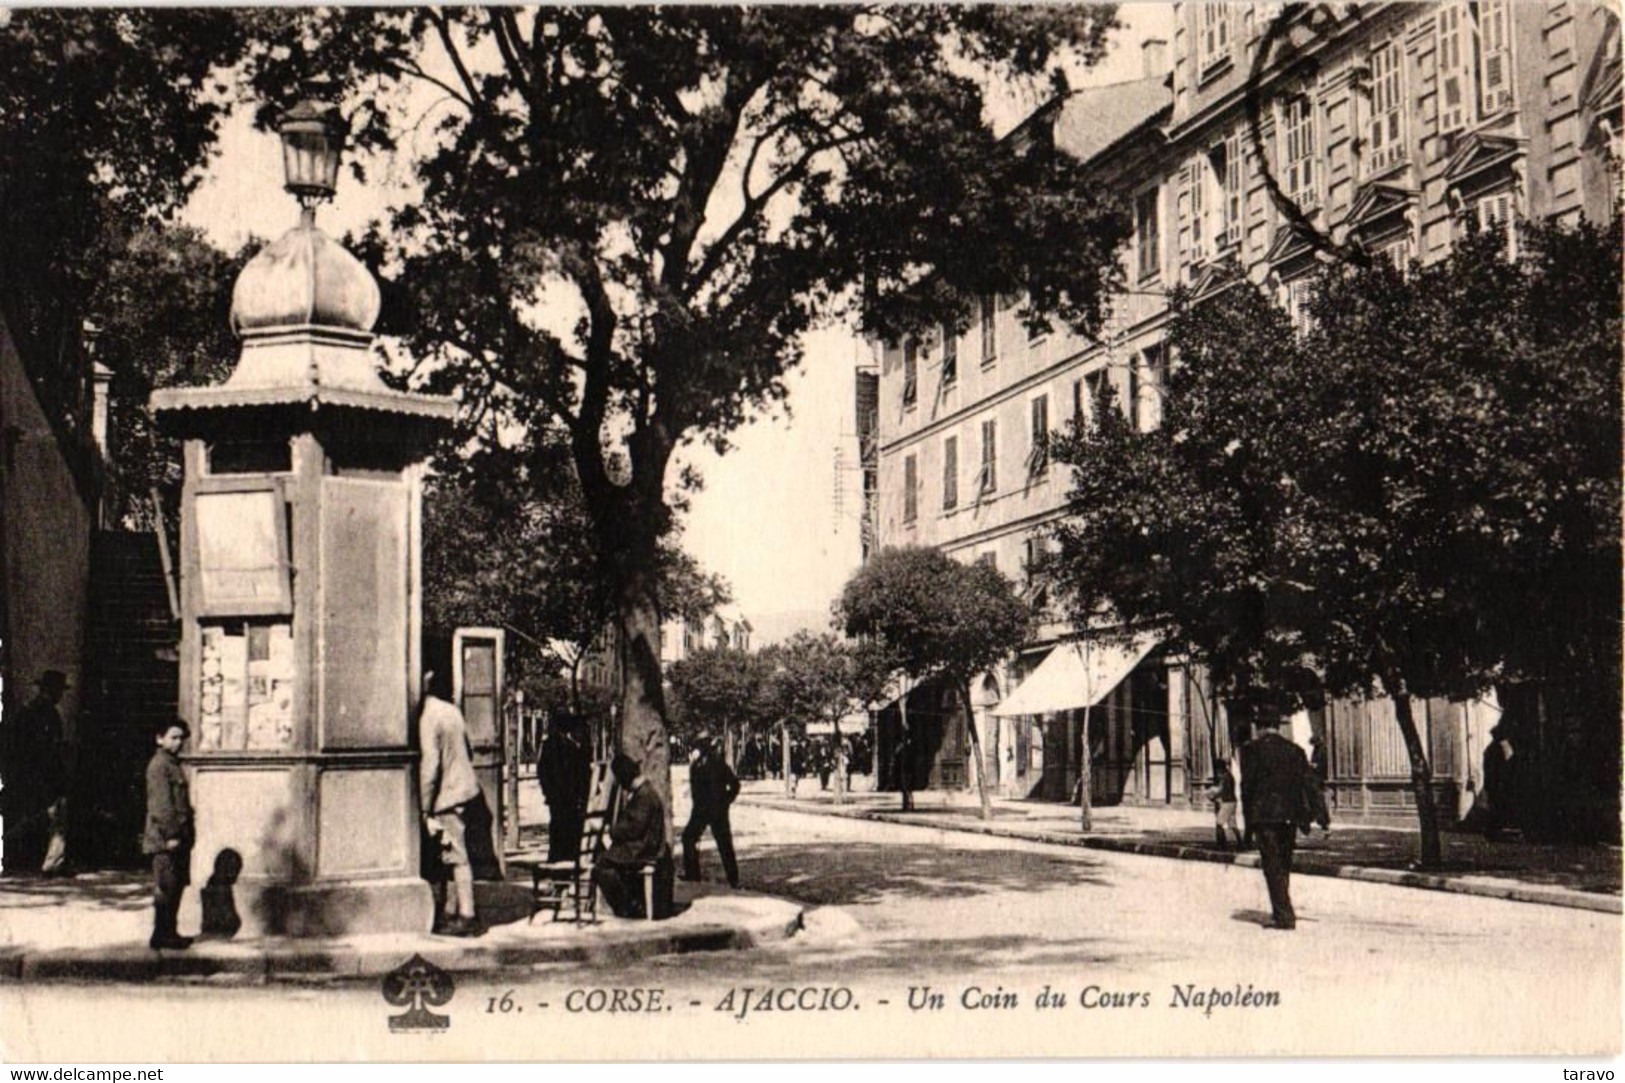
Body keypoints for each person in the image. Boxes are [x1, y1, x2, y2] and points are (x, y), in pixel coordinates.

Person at [1240, 715, 1328, 931]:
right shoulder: (1295, 750)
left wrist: (1247, 821)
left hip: (1264, 816)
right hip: (1289, 816)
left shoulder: (1252, 750)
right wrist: (1322, 818)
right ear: (1278, 727)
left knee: (1272, 865)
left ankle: (1284, 916)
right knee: (1284, 862)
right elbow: (1310, 784)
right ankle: (1281, 909)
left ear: (1259, 727)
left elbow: (1247, 788)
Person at [418, 669, 484, 937]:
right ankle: (451, 910)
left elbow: (430, 767)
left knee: (456, 856)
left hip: (447, 794)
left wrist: (424, 806)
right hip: (465, 789)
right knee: (451, 853)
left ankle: (467, 916)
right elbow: (466, 749)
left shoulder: (427, 718)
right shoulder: (450, 710)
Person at [2, 669, 71, 873]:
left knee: (32, 818)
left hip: (27, 776)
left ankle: (22, 859)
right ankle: (52, 863)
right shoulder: (47, 714)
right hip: (43, 778)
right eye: (59, 690)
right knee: (52, 819)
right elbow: (49, 750)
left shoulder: (27, 712)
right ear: (53, 690)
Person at [595, 753, 669, 918]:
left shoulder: (644, 796)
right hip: (645, 844)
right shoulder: (646, 791)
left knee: (601, 864)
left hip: (643, 848)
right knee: (610, 856)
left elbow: (634, 828)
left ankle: (628, 907)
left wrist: (610, 830)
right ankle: (631, 902)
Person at [143, 720, 194, 950]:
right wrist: (171, 834)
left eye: (181, 737)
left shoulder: (173, 764)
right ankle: (161, 934)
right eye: (173, 737)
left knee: (176, 886)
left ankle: (169, 932)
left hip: (178, 838)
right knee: (166, 887)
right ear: (159, 738)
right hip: (165, 840)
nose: (178, 742)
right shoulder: (159, 766)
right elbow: (161, 806)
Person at [681, 736, 740, 887]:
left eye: (696, 749)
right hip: (700, 811)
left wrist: (726, 801)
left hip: (717, 811)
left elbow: (735, 784)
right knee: (688, 838)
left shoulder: (717, 764)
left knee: (724, 845)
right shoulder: (695, 766)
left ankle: (734, 880)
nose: (694, 752)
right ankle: (692, 875)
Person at [538, 712, 592, 862]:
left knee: (557, 830)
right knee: (568, 832)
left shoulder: (549, 745)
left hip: (557, 798)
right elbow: (581, 775)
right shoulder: (570, 747)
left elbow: (542, 771)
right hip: (569, 798)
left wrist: (548, 793)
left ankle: (557, 862)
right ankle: (565, 862)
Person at [1481, 724, 1519, 841]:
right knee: (1496, 807)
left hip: (1494, 783)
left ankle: (1493, 832)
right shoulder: (1495, 750)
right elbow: (1499, 768)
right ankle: (1492, 832)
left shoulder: (1492, 749)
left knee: (1496, 807)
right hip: (1496, 784)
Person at [1211, 760, 1241, 850]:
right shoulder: (1229, 775)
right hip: (1233, 801)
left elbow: (1220, 790)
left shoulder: (1224, 777)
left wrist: (1211, 794)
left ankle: (1221, 844)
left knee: (1219, 823)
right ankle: (1241, 842)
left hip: (1227, 802)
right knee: (1232, 824)